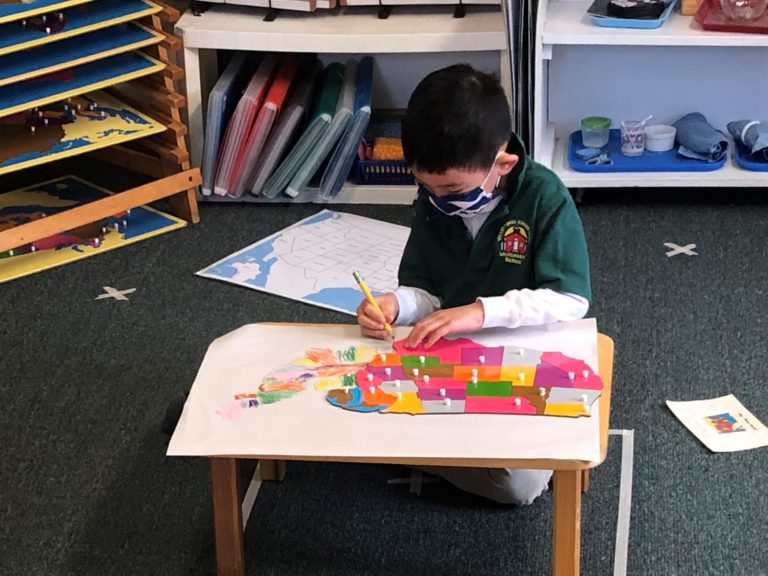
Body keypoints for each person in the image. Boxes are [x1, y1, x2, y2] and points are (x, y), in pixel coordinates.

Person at [356, 64, 591, 506]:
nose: (440, 199)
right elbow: (429, 294)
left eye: (451, 188)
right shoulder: (433, 199)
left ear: (502, 164)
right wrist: (395, 304)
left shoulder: (545, 196)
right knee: (358, 391)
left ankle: (401, 446)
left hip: (523, 361)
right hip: (450, 361)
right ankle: (414, 443)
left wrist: (481, 312)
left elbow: (570, 299)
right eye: (426, 186)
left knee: (515, 484)